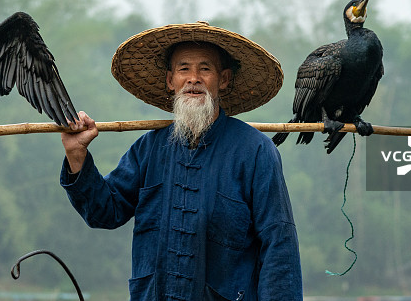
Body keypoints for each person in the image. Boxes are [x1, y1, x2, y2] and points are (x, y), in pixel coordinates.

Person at [60, 22, 303, 300]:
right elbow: (105, 211)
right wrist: (76, 155)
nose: (193, 78)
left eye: (205, 69)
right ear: (170, 80)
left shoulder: (255, 151)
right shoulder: (148, 149)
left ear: (223, 79)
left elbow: (279, 244)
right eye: (184, 69)